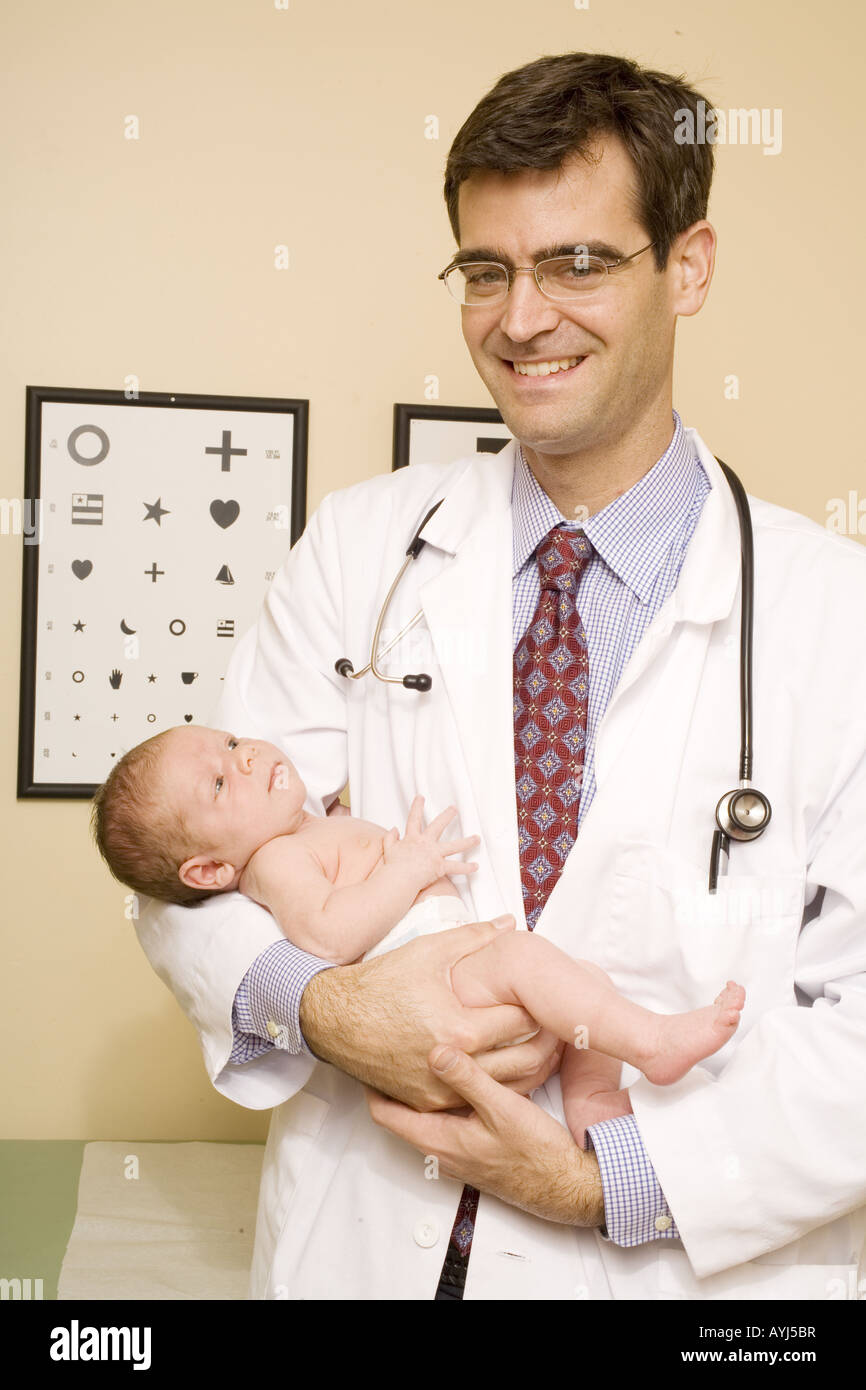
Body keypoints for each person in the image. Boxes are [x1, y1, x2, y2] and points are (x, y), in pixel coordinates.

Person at [135, 52, 866, 1300]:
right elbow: (194, 865)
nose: (521, 318)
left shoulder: (834, 618)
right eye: (486, 270)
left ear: (686, 266)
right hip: (362, 1248)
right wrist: (326, 1009)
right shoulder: (358, 553)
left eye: (577, 262)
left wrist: (602, 1182)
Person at [93, 721, 746, 1151]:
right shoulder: (275, 861)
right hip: (435, 986)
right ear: (208, 870)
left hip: (457, 964)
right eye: (218, 781)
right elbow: (325, 935)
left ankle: (595, 1100)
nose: (247, 758)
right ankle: (654, 1043)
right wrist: (406, 869)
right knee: (530, 962)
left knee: (582, 982)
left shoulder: (302, 831)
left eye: (233, 743)